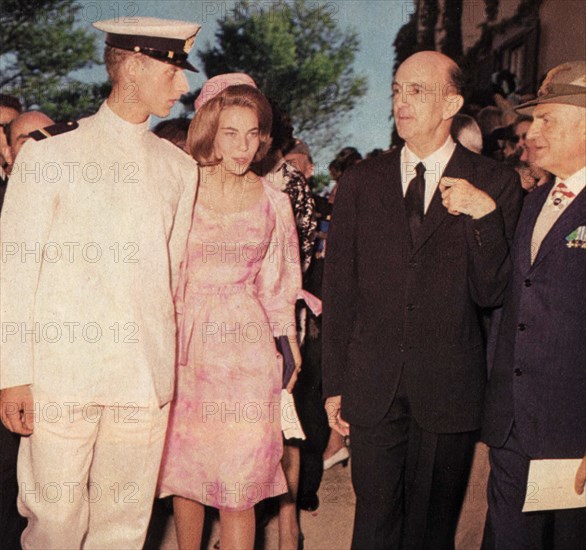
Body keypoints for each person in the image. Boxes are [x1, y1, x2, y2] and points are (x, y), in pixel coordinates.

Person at [0, 17, 200, 548]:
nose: (183, 85)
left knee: (124, 527)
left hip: (141, 380)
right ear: (133, 67)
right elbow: (15, 273)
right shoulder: (47, 154)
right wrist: (13, 374)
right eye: (174, 69)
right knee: (56, 523)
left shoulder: (180, 169)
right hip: (61, 377)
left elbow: (172, 283)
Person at [321, 51, 523, 549]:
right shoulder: (362, 181)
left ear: (451, 102)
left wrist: (483, 218)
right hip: (372, 387)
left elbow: (494, 291)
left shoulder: (494, 182)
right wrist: (335, 385)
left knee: (431, 535)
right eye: (396, 90)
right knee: (372, 527)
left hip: (448, 390)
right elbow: (339, 291)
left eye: (417, 91)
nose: (401, 102)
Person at [157, 79, 304, 550]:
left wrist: (289, 346)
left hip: (247, 350)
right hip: (186, 344)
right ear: (209, 132)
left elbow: (279, 285)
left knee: (241, 480)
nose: (244, 146)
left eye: (253, 134)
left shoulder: (275, 202)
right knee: (188, 470)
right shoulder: (181, 188)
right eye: (230, 133)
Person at [482, 60, 586, 549]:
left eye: (548, 120)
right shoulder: (536, 198)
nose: (531, 132)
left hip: (572, 437)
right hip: (513, 428)